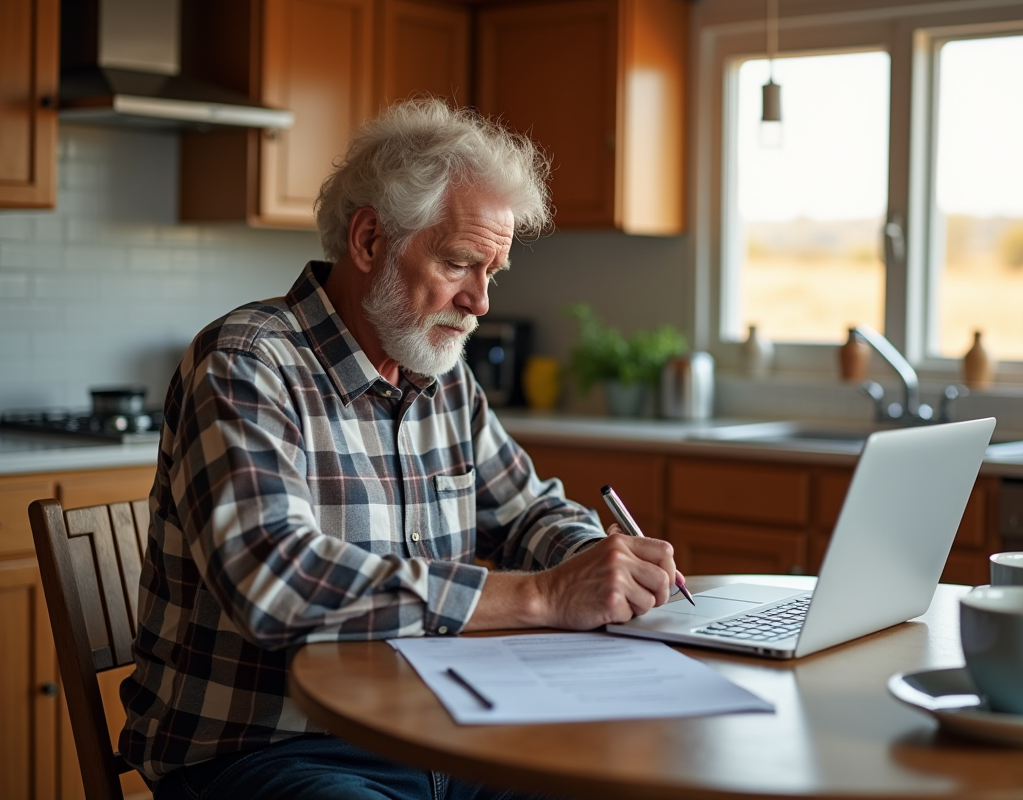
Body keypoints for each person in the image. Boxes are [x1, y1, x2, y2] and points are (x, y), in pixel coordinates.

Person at [120, 98, 685, 800]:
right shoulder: (247, 362)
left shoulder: (443, 378)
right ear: (368, 242)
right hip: (268, 752)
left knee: (634, 779)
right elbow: (273, 583)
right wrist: (541, 596)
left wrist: (602, 567)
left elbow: (528, 513)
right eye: (459, 264)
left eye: (492, 273)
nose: (480, 302)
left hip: (438, 733)